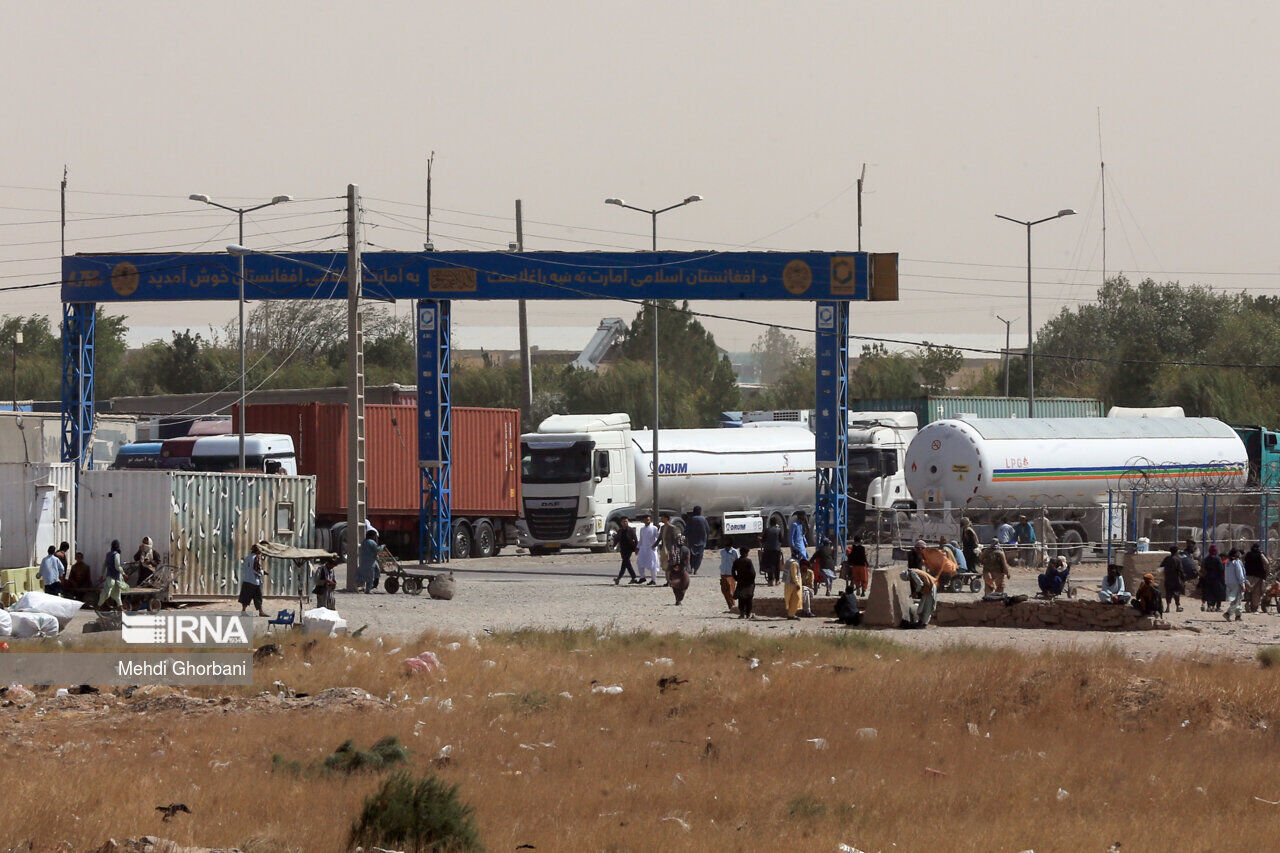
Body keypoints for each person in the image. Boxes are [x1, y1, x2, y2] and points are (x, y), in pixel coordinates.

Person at [238, 543, 268, 616]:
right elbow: (256, 569)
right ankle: (260, 612)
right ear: (257, 551)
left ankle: (244, 611)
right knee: (258, 597)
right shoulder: (256, 558)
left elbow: (245, 568)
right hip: (254, 581)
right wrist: (263, 572)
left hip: (247, 580)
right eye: (260, 549)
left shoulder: (248, 557)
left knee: (246, 597)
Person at [98, 540, 127, 610]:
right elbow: (117, 566)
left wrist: (102, 575)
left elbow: (104, 565)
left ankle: (119, 606)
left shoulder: (108, 554)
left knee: (109, 591)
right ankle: (99, 605)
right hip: (116, 577)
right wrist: (124, 574)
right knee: (115, 592)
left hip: (110, 576)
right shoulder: (116, 554)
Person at [1243, 542, 1270, 613]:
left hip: (1248, 575)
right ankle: (1254, 608)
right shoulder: (1260, 555)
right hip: (1258, 576)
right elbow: (1267, 563)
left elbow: (1242, 560)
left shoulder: (1248, 554)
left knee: (1248, 591)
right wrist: (1266, 572)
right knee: (1256, 592)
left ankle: (1248, 603)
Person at [732, 547, 756, 619]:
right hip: (748, 583)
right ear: (746, 553)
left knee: (741, 599)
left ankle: (742, 613)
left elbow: (733, 571)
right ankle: (748, 614)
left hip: (741, 582)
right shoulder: (748, 561)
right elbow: (753, 573)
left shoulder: (736, 561)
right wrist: (752, 580)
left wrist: (736, 578)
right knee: (749, 598)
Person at [614, 517, 639, 585]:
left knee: (625, 562)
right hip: (623, 549)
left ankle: (621, 578)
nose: (625, 523)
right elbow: (617, 539)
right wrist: (613, 546)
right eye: (624, 521)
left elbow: (635, 539)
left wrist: (637, 548)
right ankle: (632, 578)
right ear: (621, 523)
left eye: (626, 521)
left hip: (629, 549)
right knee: (626, 563)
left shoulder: (631, 530)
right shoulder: (620, 531)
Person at [1200, 545, 1226, 612]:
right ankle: (1217, 607)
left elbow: (1204, 568)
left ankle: (1209, 606)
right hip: (1217, 578)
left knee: (1209, 592)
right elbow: (1221, 568)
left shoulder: (1206, 559)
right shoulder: (1218, 559)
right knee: (1218, 592)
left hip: (1208, 577)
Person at [667, 534, 691, 605]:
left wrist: (674, 567)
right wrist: (682, 567)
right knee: (683, 586)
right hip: (682, 571)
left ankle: (677, 600)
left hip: (673, 571)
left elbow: (669, 559)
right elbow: (687, 561)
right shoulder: (686, 549)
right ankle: (679, 599)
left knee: (675, 587)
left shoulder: (672, 548)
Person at [1160, 546, 1185, 613]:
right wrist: (1183, 578)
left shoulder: (1167, 558)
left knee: (1168, 593)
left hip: (1168, 578)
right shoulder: (1178, 559)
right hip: (1176, 579)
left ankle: (1168, 607)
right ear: (1176, 551)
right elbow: (1180, 570)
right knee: (1176, 593)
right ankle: (1177, 607)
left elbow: (1161, 566)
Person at [636, 514, 660, 586]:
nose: (647, 520)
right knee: (639, 562)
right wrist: (637, 547)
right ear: (643, 520)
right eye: (645, 519)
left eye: (648, 519)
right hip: (643, 548)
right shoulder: (642, 529)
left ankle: (653, 580)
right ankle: (642, 577)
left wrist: (655, 546)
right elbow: (641, 539)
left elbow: (658, 538)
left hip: (651, 549)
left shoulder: (654, 528)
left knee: (653, 565)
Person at [685, 507, 709, 575]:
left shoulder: (691, 519)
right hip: (702, 541)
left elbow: (686, 530)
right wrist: (707, 538)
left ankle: (691, 568)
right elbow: (707, 529)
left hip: (692, 541)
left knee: (692, 555)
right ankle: (696, 570)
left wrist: (686, 538)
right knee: (699, 556)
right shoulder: (703, 519)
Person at [1224, 548, 1246, 622]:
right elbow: (1240, 574)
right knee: (1236, 601)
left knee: (1238, 600)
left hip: (1229, 583)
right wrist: (1242, 584)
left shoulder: (1227, 562)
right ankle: (1228, 613)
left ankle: (1238, 615)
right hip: (1236, 583)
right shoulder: (1237, 562)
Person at [761, 518, 784, 586]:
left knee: (769, 565)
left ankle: (770, 581)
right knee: (777, 565)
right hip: (776, 550)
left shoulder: (767, 530)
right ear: (776, 523)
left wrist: (759, 539)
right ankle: (777, 580)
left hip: (768, 550)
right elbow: (781, 540)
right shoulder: (778, 530)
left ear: (770, 523)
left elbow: (763, 540)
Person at [718, 543, 739, 612]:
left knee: (730, 592)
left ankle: (734, 607)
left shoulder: (735, 552)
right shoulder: (722, 551)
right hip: (723, 573)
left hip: (731, 574)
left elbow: (738, 561)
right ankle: (731, 607)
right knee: (724, 591)